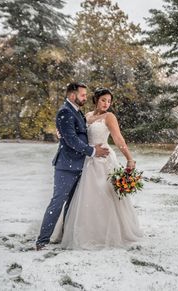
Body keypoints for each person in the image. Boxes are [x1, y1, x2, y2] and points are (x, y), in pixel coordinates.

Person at [60, 88, 143, 249]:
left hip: (104, 159)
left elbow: (118, 139)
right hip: (87, 158)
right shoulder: (87, 116)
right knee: (85, 195)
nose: (106, 104)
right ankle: (85, 230)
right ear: (96, 99)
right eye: (103, 100)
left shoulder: (109, 117)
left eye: (109, 101)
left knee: (104, 193)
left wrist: (129, 158)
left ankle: (106, 232)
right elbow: (77, 134)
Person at [36, 82, 110, 251]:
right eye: (83, 95)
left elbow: (79, 133)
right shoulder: (65, 111)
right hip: (66, 166)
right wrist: (92, 151)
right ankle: (42, 241)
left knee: (72, 204)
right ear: (72, 96)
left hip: (80, 166)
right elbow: (71, 140)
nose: (85, 98)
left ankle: (65, 236)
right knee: (57, 202)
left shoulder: (76, 111)